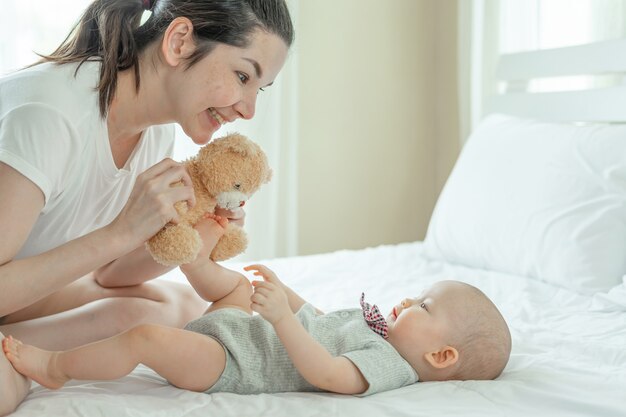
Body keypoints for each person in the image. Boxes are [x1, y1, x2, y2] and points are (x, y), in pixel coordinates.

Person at [0, 0, 294, 414]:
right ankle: (19, 362)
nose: (248, 109)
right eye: (242, 76)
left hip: (20, 294)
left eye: (257, 90)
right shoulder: (50, 116)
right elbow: (106, 249)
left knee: (188, 310)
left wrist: (196, 235)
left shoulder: (153, 133)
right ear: (178, 42)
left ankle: (25, 353)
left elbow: (112, 275)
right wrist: (120, 232)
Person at [2, 214, 512, 397]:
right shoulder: (377, 331)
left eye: (423, 304)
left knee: (146, 340)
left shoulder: (391, 367)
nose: (406, 301)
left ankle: (54, 367)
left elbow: (328, 373)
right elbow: (318, 319)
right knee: (235, 287)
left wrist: (281, 318)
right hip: (239, 335)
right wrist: (284, 292)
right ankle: (197, 262)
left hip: (234, 365)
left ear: (441, 356)